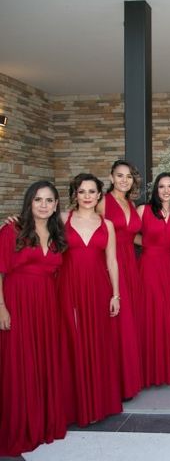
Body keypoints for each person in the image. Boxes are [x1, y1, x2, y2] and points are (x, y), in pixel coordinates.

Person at [0, 181, 67, 456]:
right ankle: (19, 426)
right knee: (19, 363)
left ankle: (40, 423)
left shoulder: (56, 232)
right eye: (38, 199)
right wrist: (1, 307)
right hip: (17, 302)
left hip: (47, 305)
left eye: (49, 200)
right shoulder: (11, 230)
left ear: (55, 206)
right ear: (29, 202)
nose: (43, 205)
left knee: (41, 361)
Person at [58, 173, 122, 426]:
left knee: (97, 342)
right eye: (82, 191)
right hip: (68, 287)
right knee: (73, 342)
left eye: (92, 192)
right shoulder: (62, 219)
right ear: (75, 194)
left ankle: (98, 403)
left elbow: (112, 261)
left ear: (99, 195)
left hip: (98, 289)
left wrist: (115, 294)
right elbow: (34, 227)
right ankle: (74, 406)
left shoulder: (107, 225)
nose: (87, 196)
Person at [97, 159, 143, 400]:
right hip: (110, 265)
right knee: (118, 323)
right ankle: (116, 382)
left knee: (130, 321)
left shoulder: (131, 202)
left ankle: (130, 378)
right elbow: (81, 224)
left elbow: (129, 236)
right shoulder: (102, 202)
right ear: (111, 177)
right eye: (119, 175)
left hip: (130, 265)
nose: (124, 180)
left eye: (128, 176)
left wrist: (154, 246)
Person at [136, 172, 170, 387]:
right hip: (149, 267)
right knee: (153, 315)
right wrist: (147, 243)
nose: (166, 190)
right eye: (162, 186)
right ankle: (150, 372)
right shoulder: (144, 210)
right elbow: (128, 234)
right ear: (156, 189)